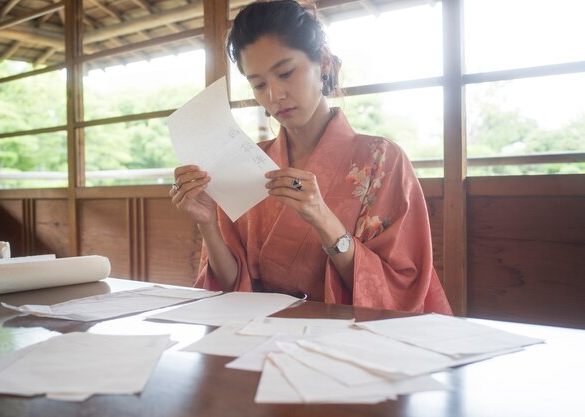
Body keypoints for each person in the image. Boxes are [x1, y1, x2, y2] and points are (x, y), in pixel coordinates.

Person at [170, 0, 452, 314]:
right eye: (259, 84)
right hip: (258, 336)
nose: (274, 95)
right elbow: (232, 286)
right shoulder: (248, 164)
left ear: (324, 63)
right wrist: (207, 224)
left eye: (286, 73)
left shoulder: (383, 161)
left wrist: (322, 218)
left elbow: (400, 289)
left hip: (346, 338)